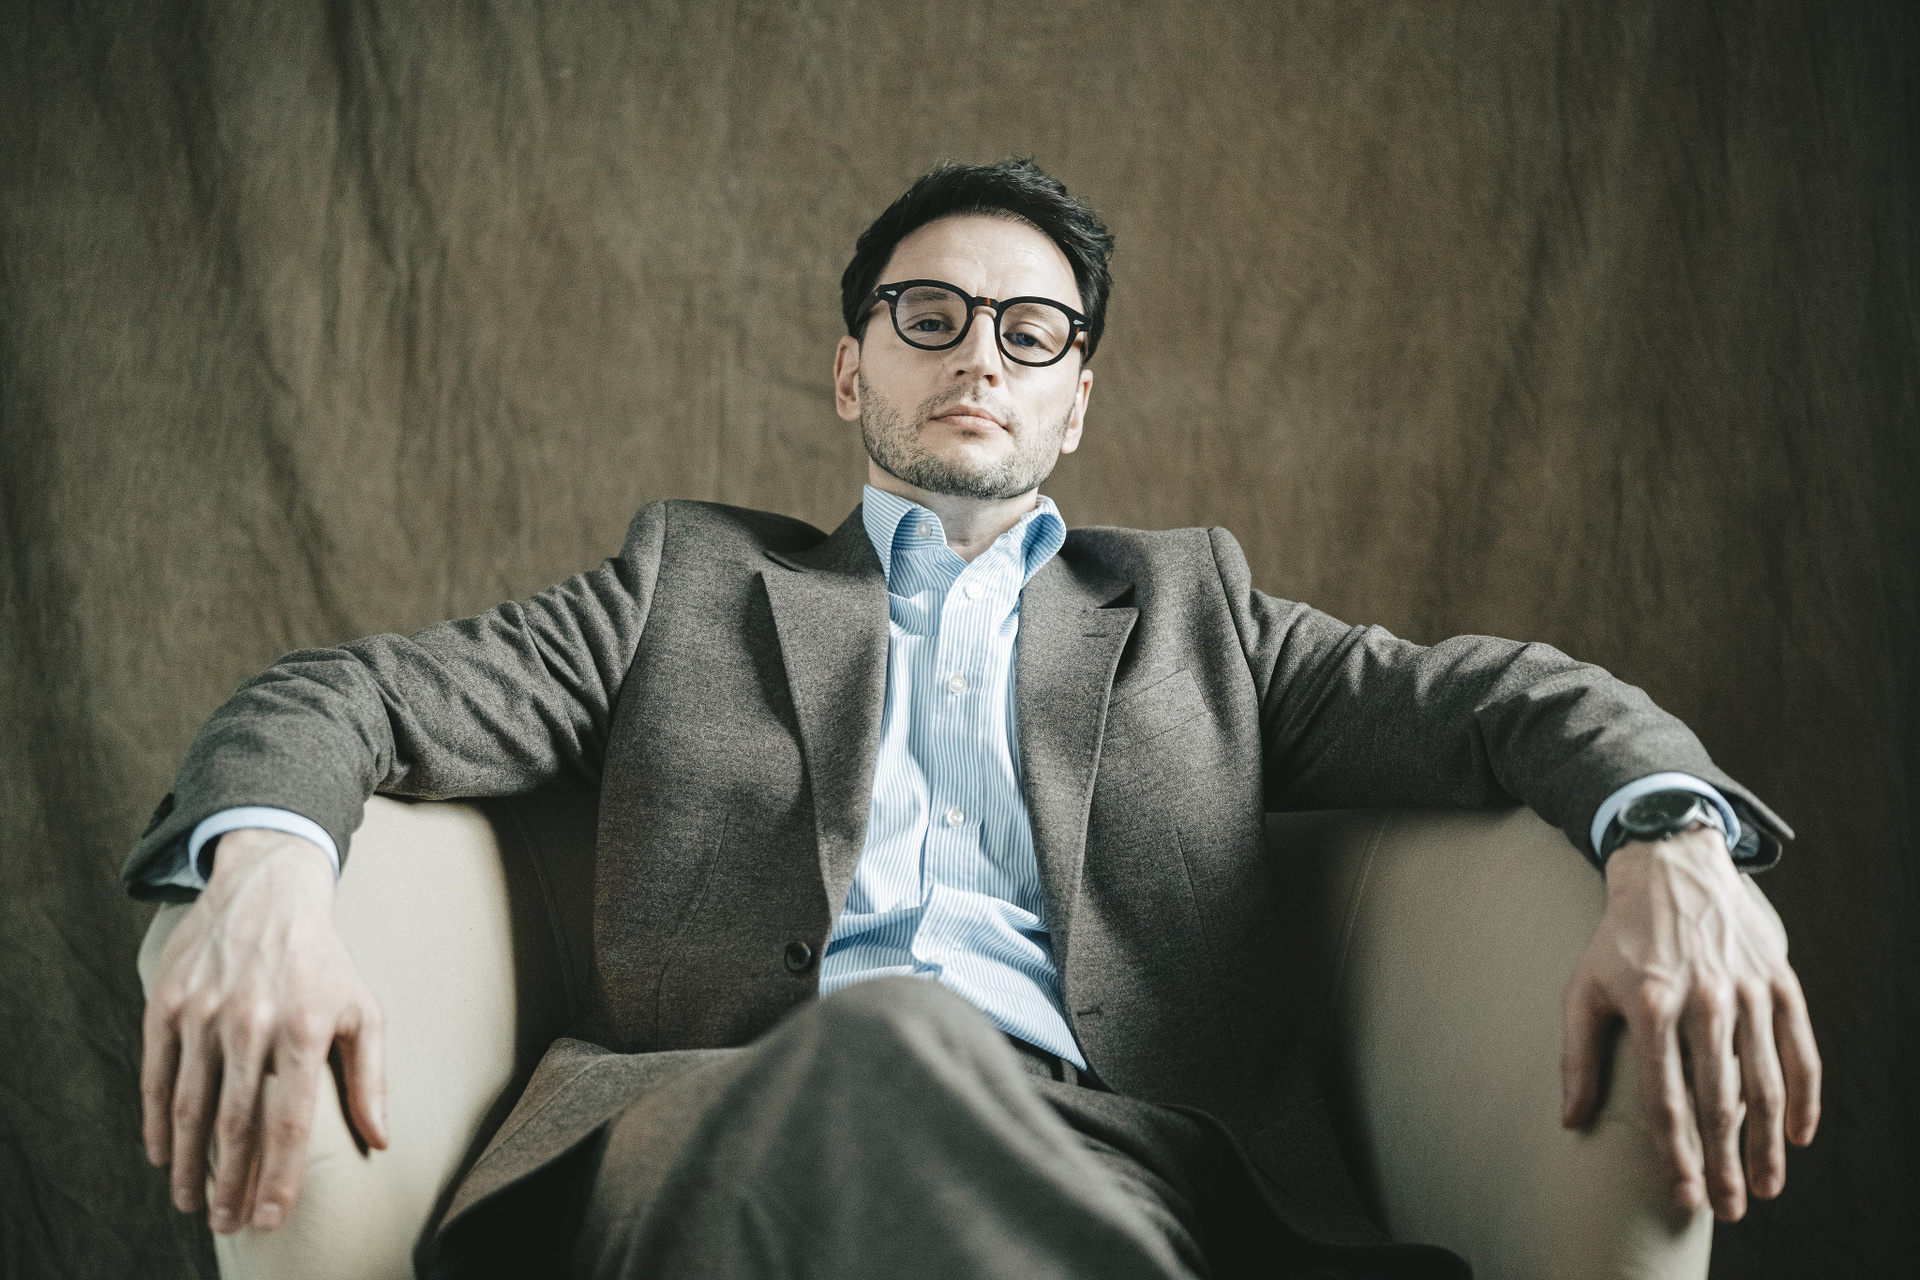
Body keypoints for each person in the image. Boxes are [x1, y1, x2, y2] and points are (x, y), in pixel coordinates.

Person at [127, 159, 1821, 1279]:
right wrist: (266, 871)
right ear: (850, 369)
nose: (977, 358)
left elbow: (1510, 703)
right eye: (927, 318)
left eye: (1031, 332)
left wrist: (1675, 846)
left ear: (1076, 400)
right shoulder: (681, 587)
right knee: (886, 1045)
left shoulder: (1201, 614)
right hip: (707, 1128)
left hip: (1110, 1151)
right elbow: (347, 695)